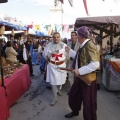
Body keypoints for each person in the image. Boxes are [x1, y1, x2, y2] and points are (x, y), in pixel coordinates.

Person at [65, 26, 100, 120]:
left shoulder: (89, 45)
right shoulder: (83, 44)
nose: (75, 36)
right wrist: (70, 51)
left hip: (87, 79)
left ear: (80, 35)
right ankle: (75, 111)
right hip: (79, 77)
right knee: (73, 96)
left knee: (88, 103)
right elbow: (80, 56)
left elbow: (95, 64)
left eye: (77, 34)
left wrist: (79, 71)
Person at [43, 32, 68, 106]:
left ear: (60, 37)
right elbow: (45, 56)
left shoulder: (64, 45)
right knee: (53, 82)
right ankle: (55, 98)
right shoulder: (48, 46)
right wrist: (50, 54)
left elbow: (67, 56)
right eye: (54, 37)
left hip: (61, 66)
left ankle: (59, 90)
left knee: (60, 80)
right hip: (53, 66)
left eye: (57, 37)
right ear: (52, 38)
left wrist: (67, 54)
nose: (56, 38)